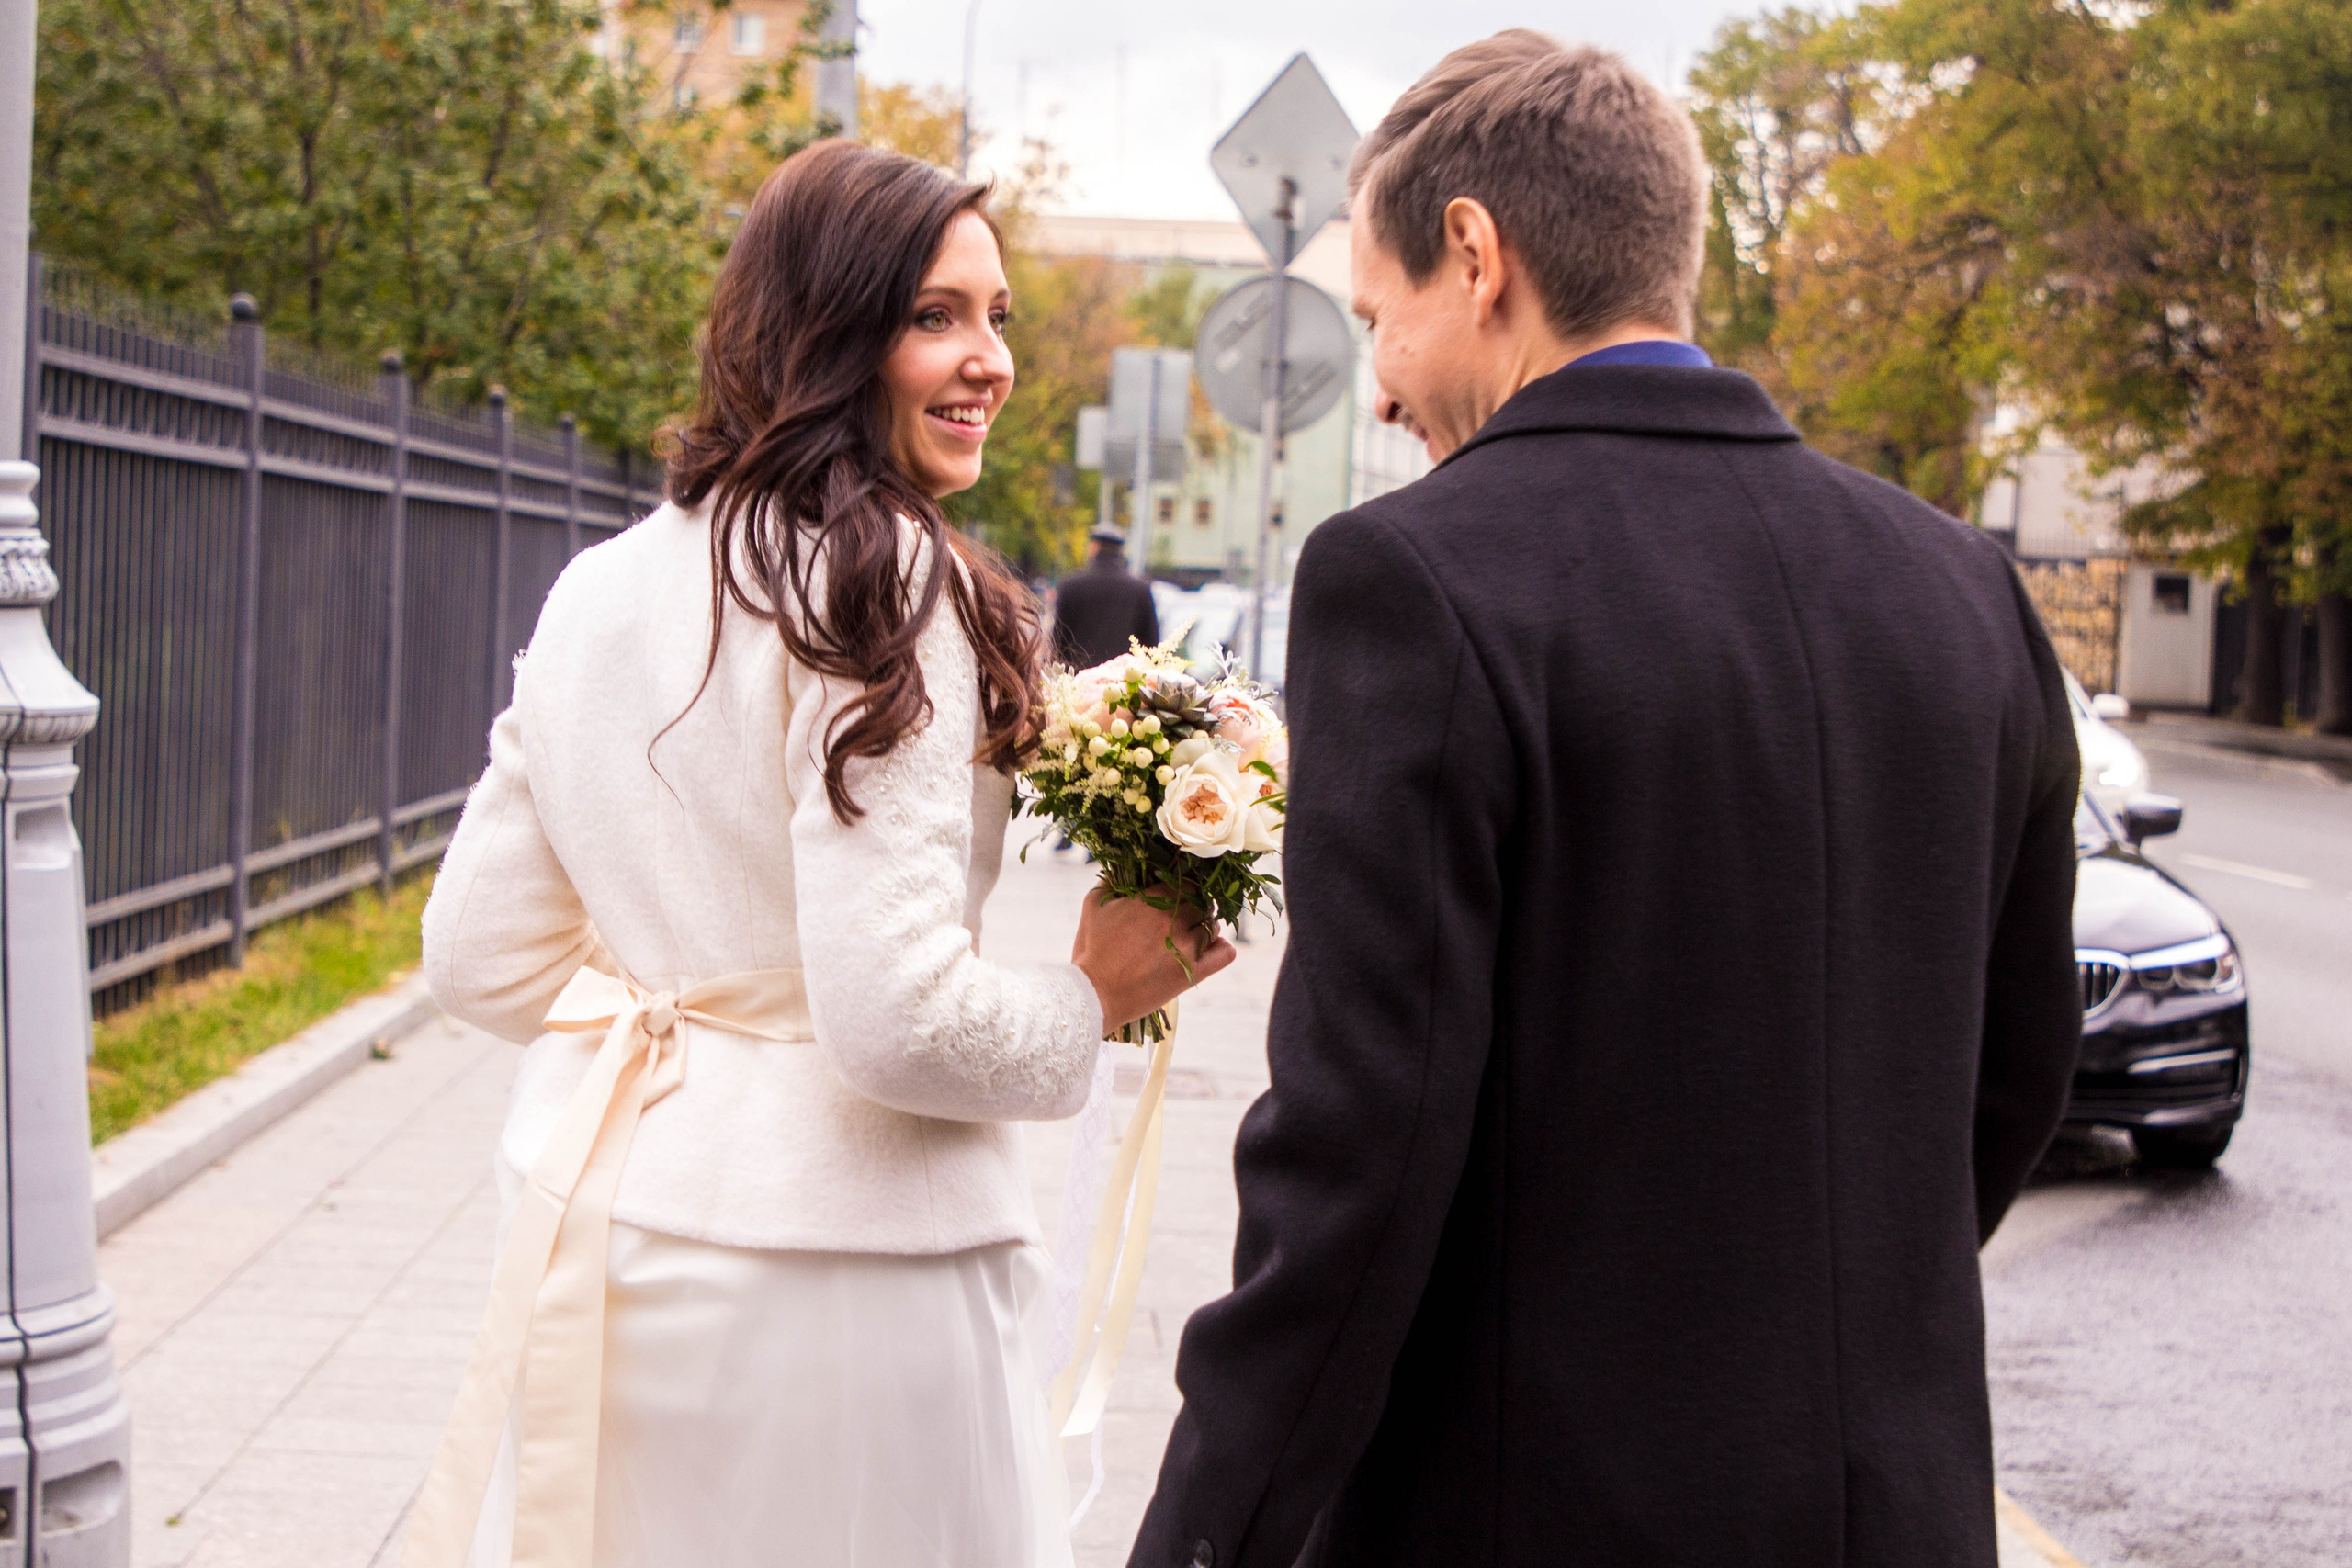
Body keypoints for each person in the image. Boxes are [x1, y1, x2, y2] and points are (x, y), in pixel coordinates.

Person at [1128, 31, 2081, 1568]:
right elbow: (2018, 1068)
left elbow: (1358, 1159)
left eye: (1376, 320)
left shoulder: (1417, 581)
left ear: (1475, 255)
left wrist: (1201, 1541)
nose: (1382, 391)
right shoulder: (1964, 588)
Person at [401, 141, 1233, 1568]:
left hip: (607, 1234)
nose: (990, 361)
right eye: (935, 316)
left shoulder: (600, 583)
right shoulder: (881, 572)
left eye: (997, 317)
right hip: (848, 1276)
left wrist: (694, 1021)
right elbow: (897, 1017)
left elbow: (474, 955)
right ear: (829, 331)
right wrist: (1091, 994)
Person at [1052, 521, 1159, 670]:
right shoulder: (1141, 590)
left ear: (1094, 547)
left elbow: (1058, 643)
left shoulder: (1070, 586)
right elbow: (1151, 646)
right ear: (1120, 550)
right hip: (1125, 680)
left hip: (1078, 679)